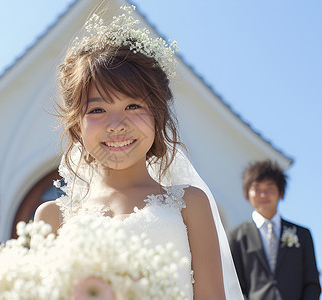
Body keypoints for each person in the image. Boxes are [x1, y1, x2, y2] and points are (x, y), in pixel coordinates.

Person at [34, 6, 243, 299]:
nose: (116, 125)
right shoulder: (51, 217)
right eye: (97, 110)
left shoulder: (190, 205)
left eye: (133, 106)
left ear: (157, 115)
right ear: (77, 125)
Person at [228, 160, 321, 299]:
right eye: (256, 189)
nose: (263, 194)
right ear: (247, 194)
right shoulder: (236, 237)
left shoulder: (302, 235)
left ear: (281, 192)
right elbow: (235, 285)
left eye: (270, 188)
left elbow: (312, 283)